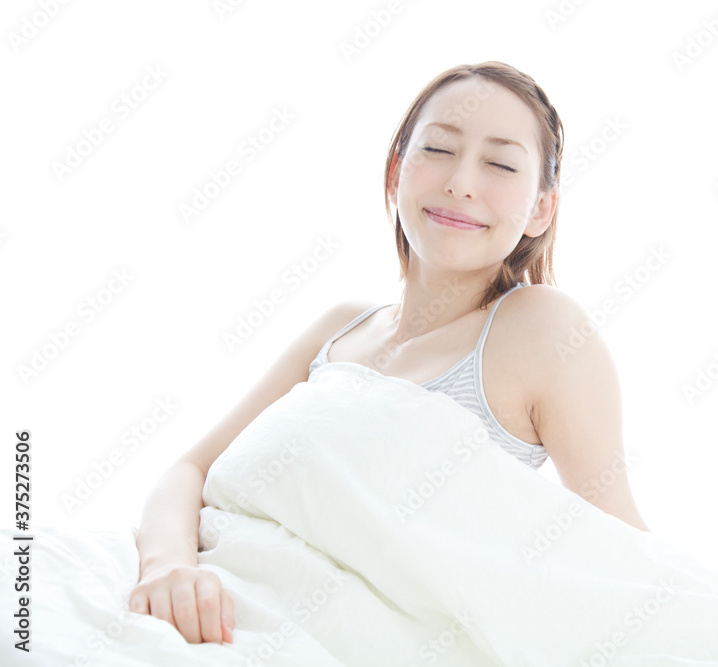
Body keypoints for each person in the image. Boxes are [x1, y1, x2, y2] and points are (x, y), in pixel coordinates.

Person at [128, 60, 651, 646]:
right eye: (438, 150)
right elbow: (190, 470)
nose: (461, 183)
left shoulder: (541, 329)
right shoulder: (338, 329)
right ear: (396, 172)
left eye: (501, 164)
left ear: (540, 208)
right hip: (193, 608)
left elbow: (623, 549)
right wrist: (168, 569)